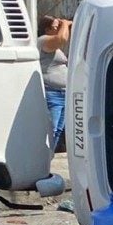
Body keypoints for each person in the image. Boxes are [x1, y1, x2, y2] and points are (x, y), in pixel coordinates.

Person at [37, 14, 71, 151]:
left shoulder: (54, 47)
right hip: (53, 93)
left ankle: (49, 156)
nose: (59, 30)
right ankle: (43, 155)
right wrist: (66, 23)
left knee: (58, 130)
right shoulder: (43, 41)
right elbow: (62, 38)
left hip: (63, 93)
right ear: (47, 29)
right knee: (51, 129)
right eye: (56, 27)